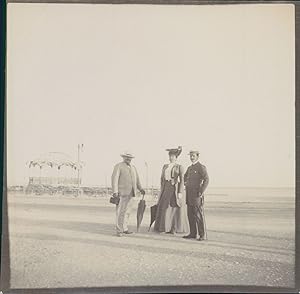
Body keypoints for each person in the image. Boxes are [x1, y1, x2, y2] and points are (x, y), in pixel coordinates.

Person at [154, 146, 189, 234]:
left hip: (175, 188)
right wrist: (161, 189)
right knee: (164, 207)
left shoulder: (179, 167)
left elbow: (182, 180)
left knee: (173, 207)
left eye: (173, 156)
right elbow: (162, 179)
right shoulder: (165, 166)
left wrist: (180, 192)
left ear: (176, 158)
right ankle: (164, 227)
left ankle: (173, 228)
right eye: (170, 156)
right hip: (166, 187)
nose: (171, 158)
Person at [111, 151, 145, 237]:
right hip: (121, 193)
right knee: (120, 212)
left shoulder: (133, 168)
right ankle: (119, 230)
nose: (128, 159)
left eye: (130, 158)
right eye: (126, 157)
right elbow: (114, 179)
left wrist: (140, 189)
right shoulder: (118, 166)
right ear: (123, 157)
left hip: (131, 193)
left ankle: (125, 228)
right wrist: (115, 191)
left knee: (128, 212)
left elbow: (137, 180)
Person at [183, 150, 209, 241]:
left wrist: (201, 191)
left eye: (193, 156)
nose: (191, 157)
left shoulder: (201, 167)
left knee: (198, 215)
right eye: (190, 156)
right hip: (189, 195)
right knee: (190, 215)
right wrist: (185, 183)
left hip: (197, 195)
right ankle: (193, 233)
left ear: (197, 156)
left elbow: (206, 180)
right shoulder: (189, 168)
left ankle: (202, 235)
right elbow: (185, 177)